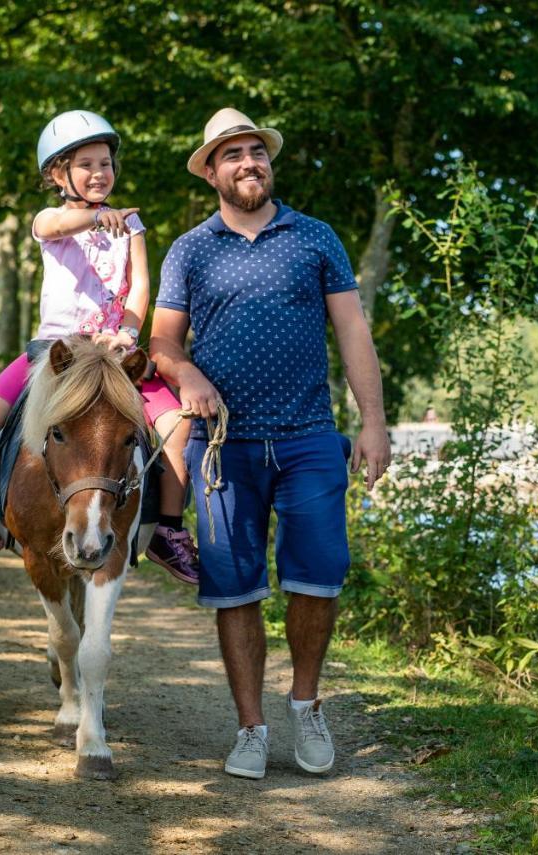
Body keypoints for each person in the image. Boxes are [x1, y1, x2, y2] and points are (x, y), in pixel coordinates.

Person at [150, 107, 391, 780]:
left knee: (318, 578)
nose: (249, 161)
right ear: (212, 172)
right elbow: (162, 343)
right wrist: (186, 370)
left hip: (311, 438)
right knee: (235, 587)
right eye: (233, 154)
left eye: (257, 151)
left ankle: (306, 705)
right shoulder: (190, 251)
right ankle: (251, 727)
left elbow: (352, 334)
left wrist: (372, 420)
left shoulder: (315, 238)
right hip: (225, 448)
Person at [0, 110, 200, 585]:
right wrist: (99, 217)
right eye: (86, 165)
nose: (100, 173)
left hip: (113, 357)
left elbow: (140, 286)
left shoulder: (132, 226)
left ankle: (169, 531)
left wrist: (129, 330)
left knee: (177, 427)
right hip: (53, 350)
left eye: (106, 164)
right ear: (58, 174)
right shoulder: (49, 219)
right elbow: (59, 227)